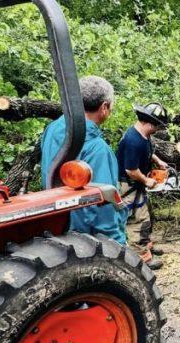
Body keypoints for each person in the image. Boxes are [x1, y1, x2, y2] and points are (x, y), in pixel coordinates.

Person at [40, 75, 126, 244]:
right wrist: (117, 245)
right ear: (104, 107)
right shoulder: (97, 148)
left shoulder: (52, 130)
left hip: (56, 226)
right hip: (88, 240)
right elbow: (103, 209)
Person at [117, 103, 169, 270]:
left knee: (148, 214)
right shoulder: (133, 141)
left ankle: (147, 245)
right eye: (158, 126)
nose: (158, 129)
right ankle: (141, 258)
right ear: (151, 123)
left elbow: (147, 150)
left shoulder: (143, 135)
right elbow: (130, 170)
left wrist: (157, 161)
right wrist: (146, 181)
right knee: (138, 220)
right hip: (129, 184)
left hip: (137, 183)